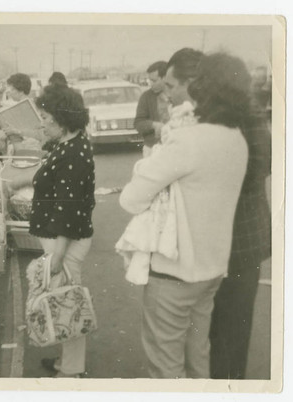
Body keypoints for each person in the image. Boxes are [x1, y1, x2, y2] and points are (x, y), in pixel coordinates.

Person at [119, 49, 250, 379]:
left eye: (175, 84)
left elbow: (131, 200)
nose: (169, 92)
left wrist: (151, 157)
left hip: (174, 273)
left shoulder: (187, 141)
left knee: (166, 369)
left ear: (199, 86)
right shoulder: (236, 138)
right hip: (210, 271)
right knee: (197, 360)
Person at [29, 85, 96, 378]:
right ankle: (65, 362)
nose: (42, 123)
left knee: (68, 302)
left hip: (64, 243)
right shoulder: (71, 143)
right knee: (63, 301)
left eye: (46, 118)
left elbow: (68, 208)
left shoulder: (73, 152)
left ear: (62, 119)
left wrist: (57, 254)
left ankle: (71, 372)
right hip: (61, 240)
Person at [209, 70, 272, 379]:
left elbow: (263, 163)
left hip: (243, 238)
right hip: (228, 238)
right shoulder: (222, 113)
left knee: (234, 322)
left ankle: (231, 385)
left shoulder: (248, 113)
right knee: (218, 323)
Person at [134, 61, 171, 155]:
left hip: (176, 146)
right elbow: (138, 123)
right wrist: (153, 125)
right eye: (149, 80)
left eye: (154, 80)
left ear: (165, 78)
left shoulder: (177, 93)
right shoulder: (146, 97)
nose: (150, 84)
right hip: (152, 148)